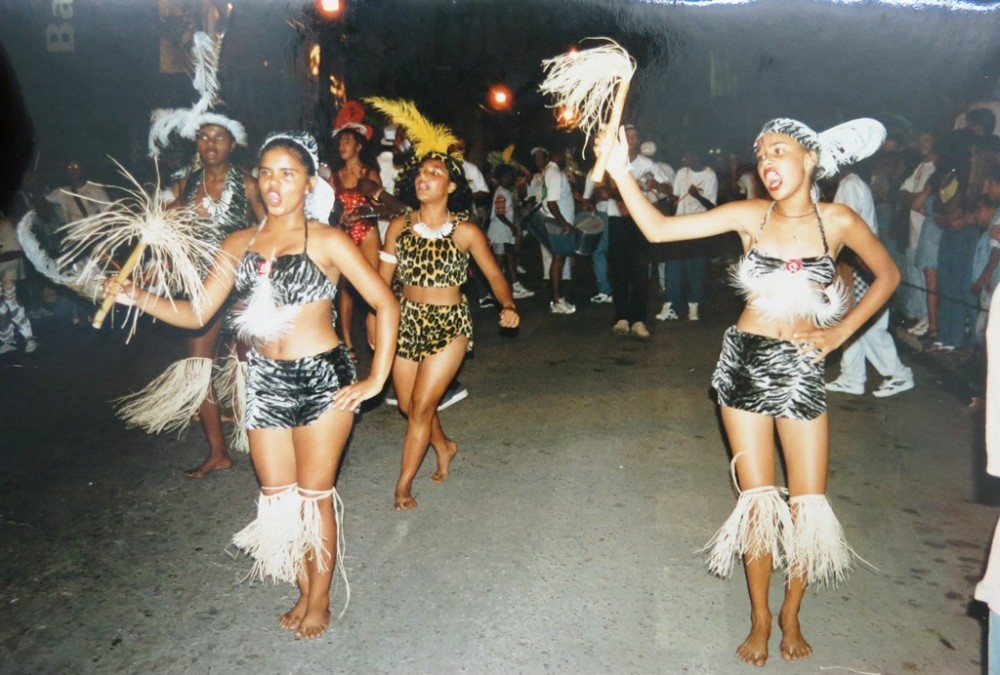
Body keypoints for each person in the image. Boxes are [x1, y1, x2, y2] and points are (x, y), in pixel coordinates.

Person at [602, 117, 899, 666]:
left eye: (779, 151)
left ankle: (792, 610)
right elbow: (660, 231)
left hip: (803, 367)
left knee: (808, 505)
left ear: (810, 159)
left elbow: (888, 276)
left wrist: (837, 333)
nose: (766, 162)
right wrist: (621, 172)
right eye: (760, 154)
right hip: (745, 364)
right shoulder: (749, 216)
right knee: (758, 503)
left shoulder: (838, 220)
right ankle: (761, 615)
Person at [106, 131, 399, 639]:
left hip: (321, 380)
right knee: (278, 496)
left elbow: (386, 303)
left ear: (309, 183)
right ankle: (305, 586)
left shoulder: (327, 240)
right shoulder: (238, 243)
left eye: (287, 173)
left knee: (314, 496)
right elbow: (198, 310)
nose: (274, 183)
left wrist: (376, 378)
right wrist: (136, 295)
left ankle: (319, 598)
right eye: (266, 172)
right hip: (262, 380)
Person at [377, 146, 519, 511]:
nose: (424, 178)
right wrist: (376, 319)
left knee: (423, 406)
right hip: (407, 321)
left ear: (452, 187)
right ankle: (444, 445)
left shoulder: (466, 231)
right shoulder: (399, 226)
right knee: (410, 407)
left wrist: (507, 304)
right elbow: (381, 283)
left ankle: (402, 486)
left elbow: (494, 275)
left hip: (449, 324)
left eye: (435, 173)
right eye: (421, 173)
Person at [826, 167, 914, 397]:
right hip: (854, 263)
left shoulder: (851, 186)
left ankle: (898, 374)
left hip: (861, 264)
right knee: (850, 318)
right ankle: (852, 377)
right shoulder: (849, 184)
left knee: (870, 324)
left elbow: (848, 234)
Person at [328, 104, 383, 364]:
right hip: (345, 236)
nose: (343, 144)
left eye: (348, 140)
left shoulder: (369, 173)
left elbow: (381, 206)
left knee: (374, 284)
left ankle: (377, 334)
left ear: (359, 145)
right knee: (346, 290)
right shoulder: (334, 177)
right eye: (341, 140)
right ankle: (347, 342)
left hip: (368, 233)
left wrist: (362, 213)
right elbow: (327, 209)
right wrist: (340, 218)